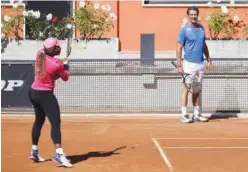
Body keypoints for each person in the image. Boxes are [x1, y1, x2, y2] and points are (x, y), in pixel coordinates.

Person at [28, 37, 72, 167]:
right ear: (54, 49)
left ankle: (34, 151)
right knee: (55, 123)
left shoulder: (39, 54)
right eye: (58, 46)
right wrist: (66, 68)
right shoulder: (56, 64)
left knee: (39, 121)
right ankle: (59, 154)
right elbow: (64, 77)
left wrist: (60, 64)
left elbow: (52, 72)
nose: (60, 48)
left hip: (33, 92)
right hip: (45, 95)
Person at [176, 6, 212, 123]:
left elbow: (204, 45)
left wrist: (209, 59)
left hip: (200, 64)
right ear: (188, 16)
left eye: (195, 14)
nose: (193, 16)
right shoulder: (184, 30)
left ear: (198, 15)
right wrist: (179, 65)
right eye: (191, 14)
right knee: (186, 89)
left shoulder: (201, 28)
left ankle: (196, 114)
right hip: (188, 65)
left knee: (197, 90)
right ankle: (184, 115)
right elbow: (178, 48)